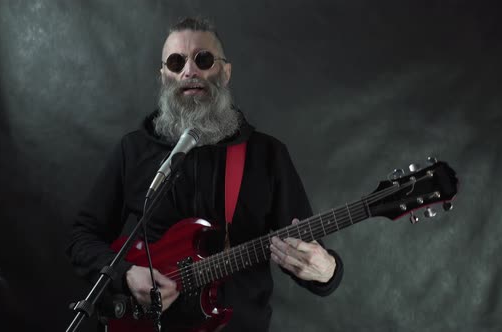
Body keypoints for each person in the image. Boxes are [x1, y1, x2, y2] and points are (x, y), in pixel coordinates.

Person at [67, 17, 343, 332]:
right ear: (163, 76)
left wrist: (327, 270)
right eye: (176, 62)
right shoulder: (134, 150)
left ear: (225, 73)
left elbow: (308, 256)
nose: (189, 71)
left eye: (203, 59)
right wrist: (127, 274)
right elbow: (82, 238)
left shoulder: (267, 155)